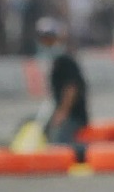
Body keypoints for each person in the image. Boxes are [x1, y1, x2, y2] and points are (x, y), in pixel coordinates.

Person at [35, 17, 89, 146]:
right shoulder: (56, 61)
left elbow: (71, 88)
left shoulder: (65, 61)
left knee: (59, 141)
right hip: (62, 112)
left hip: (73, 116)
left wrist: (62, 112)